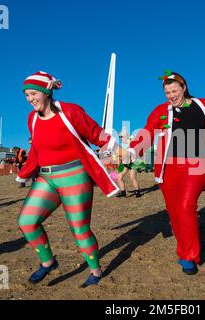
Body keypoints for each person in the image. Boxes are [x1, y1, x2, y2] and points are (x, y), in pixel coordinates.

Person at [128, 71, 205, 275]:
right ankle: (184, 248)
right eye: (167, 92)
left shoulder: (202, 105)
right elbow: (148, 131)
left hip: (197, 164)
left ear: (184, 88)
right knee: (174, 211)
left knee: (185, 205)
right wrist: (133, 149)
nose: (171, 95)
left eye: (174, 90)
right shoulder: (161, 111)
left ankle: (189, 256)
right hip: (168, 167)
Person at [16, 71, 123, 287]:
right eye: (26, 95)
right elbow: (36, 150)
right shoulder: (32, 119)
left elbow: (95, 133)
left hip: (74, 176)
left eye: (33, 93)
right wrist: (24, 174)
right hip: (46, 178)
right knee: (26, 222)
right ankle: (48, 262)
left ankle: (95, 271)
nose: (29, 99)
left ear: (46, 91)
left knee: (79, 229)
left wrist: (117, 147)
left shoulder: (71, 111)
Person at [116, 131, 142, 198]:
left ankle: (137, 192)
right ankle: (123, 192)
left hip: (134, 162)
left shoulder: (131, 140)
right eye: (120, 137)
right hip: (127, 162)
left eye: (121, 136)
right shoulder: (123, 144)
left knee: (132, 177)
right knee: (119, 176)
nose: (120, 138)